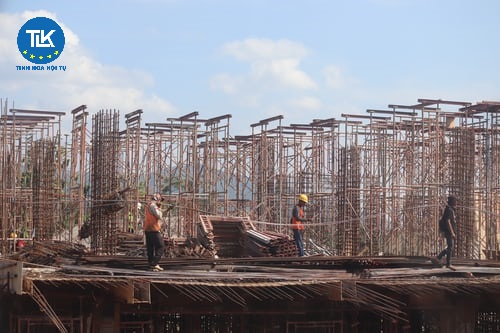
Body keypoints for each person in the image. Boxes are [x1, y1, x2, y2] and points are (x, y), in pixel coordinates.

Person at [144, 193, 165, 271]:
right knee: (161, 246)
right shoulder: (153, 206)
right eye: (160, 200)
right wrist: (159, 208)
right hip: (154, 229)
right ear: (157, 199)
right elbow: (159, 215)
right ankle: (154, 263)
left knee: (151, 248)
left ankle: (151, 264)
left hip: (148, 229)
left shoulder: (149, 205)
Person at [437, 196, 457, 268]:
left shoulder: (450, 209)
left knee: (450, 247)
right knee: (450, 247)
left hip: (449, 231)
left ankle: (439, 257)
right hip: (449, 232)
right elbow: (448, 221)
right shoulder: (449, 210)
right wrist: (452, 232)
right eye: (454, 201)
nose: (456, 203)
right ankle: (447, 263)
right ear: (451, 202)